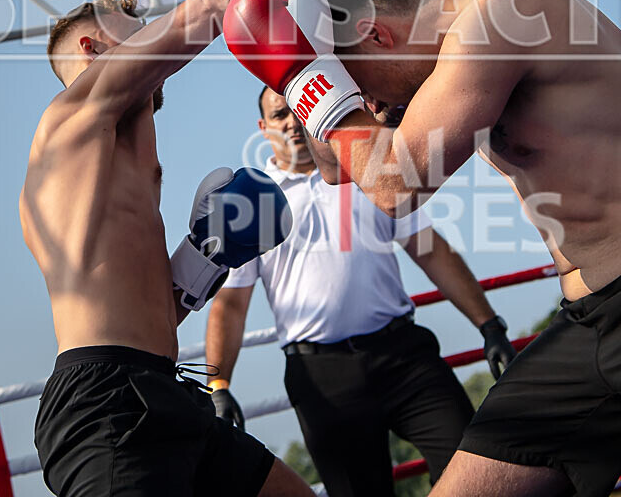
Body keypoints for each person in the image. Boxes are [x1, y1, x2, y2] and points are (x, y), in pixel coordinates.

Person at [223, 0, 621, 497]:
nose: (368, 103)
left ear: (376, 34)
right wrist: (300, 69)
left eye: (360, 84)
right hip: (591, 320)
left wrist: (309, 77)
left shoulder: (508, 14)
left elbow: (395, 184)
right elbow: (340, 169)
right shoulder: (440, 72)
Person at [19, 0, 415, 497]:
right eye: (132, 23)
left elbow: (147, 316)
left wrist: (204, 256)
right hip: (109, 409)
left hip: (159, 391)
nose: (149, 30)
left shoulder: (120, 162)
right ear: (91, 51)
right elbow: (206, 9)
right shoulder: (71, 122)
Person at [204, 87, 516, 497]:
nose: (293, 123)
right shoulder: (254, 202)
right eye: (280, 115)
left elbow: (432, 251)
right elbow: (230, 304)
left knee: (477, 469)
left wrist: (489, 325)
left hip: (405, 357)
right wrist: (219, 386)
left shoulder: (364, 172)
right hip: (324, 379)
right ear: (264, 129)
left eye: (298, 111)